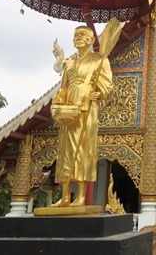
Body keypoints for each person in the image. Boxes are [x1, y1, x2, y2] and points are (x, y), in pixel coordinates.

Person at [51, 25, 115, 207]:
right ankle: (63, 196)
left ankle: (80, 196)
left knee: (83, 151)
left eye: (84, 35)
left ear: (92, 40)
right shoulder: (68, 62)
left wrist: (100, 93)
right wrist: (59, 100)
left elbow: (107, 84)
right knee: (65, 152)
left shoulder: (99, 60)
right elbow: (63, 87)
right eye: (76, 35)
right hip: (69, 107)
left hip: (87, 108)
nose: (79, 38)